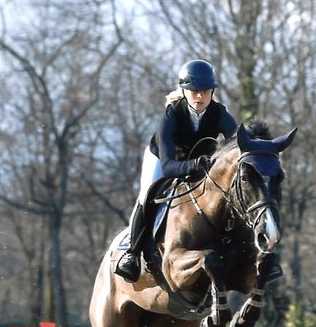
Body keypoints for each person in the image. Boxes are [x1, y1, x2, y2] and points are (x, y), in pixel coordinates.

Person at [114, 59, 284, 287]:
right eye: (194, 91)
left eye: (204, 91)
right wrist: (195, 165)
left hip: (200, 164)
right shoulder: (171, 115)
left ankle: (253, 256)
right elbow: (169, 166)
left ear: (211, 91)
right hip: (164, 160)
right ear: (184, 91)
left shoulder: (219, 113)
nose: (199, 97)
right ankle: (132, 253)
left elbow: (238, 144)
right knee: (147, 195)